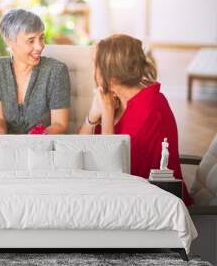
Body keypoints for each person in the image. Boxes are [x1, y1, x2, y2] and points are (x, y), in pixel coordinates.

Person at [79, 34, 192, 205]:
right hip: (127, 196)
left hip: (152, 207)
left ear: (113, 76)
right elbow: (78, 146)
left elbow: (113, 174)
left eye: (96, 64)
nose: (92, 70)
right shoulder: (117, 97)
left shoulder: (150, 109)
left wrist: (107, 116)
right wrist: (92, 117)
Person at [0, 9, 70, 134]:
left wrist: (37, 139)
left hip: (43, 148)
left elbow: (59, 124)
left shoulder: (56, 71)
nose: (39, 46)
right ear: (9, 40)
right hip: (8, 147)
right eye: (31, 40)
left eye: (41, 38)